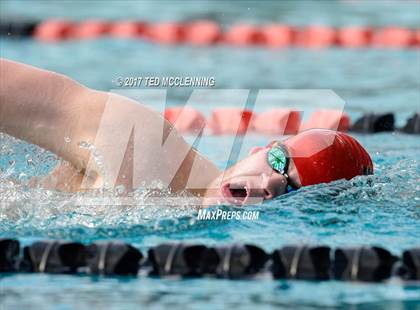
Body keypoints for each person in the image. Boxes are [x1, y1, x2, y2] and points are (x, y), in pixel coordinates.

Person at [0, 59, 373, 206]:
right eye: (279, 162)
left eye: (293, 190)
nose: (272, 184)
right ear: (260, 148)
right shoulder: (138, 137)